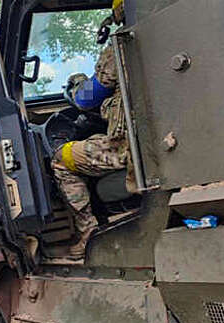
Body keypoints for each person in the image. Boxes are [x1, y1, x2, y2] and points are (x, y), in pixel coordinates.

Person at [51, 0, 134, 258]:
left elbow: (86, 99)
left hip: (130, 148)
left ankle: (88, 232)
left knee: (61, 158)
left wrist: (77, 84)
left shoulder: (124, 42)